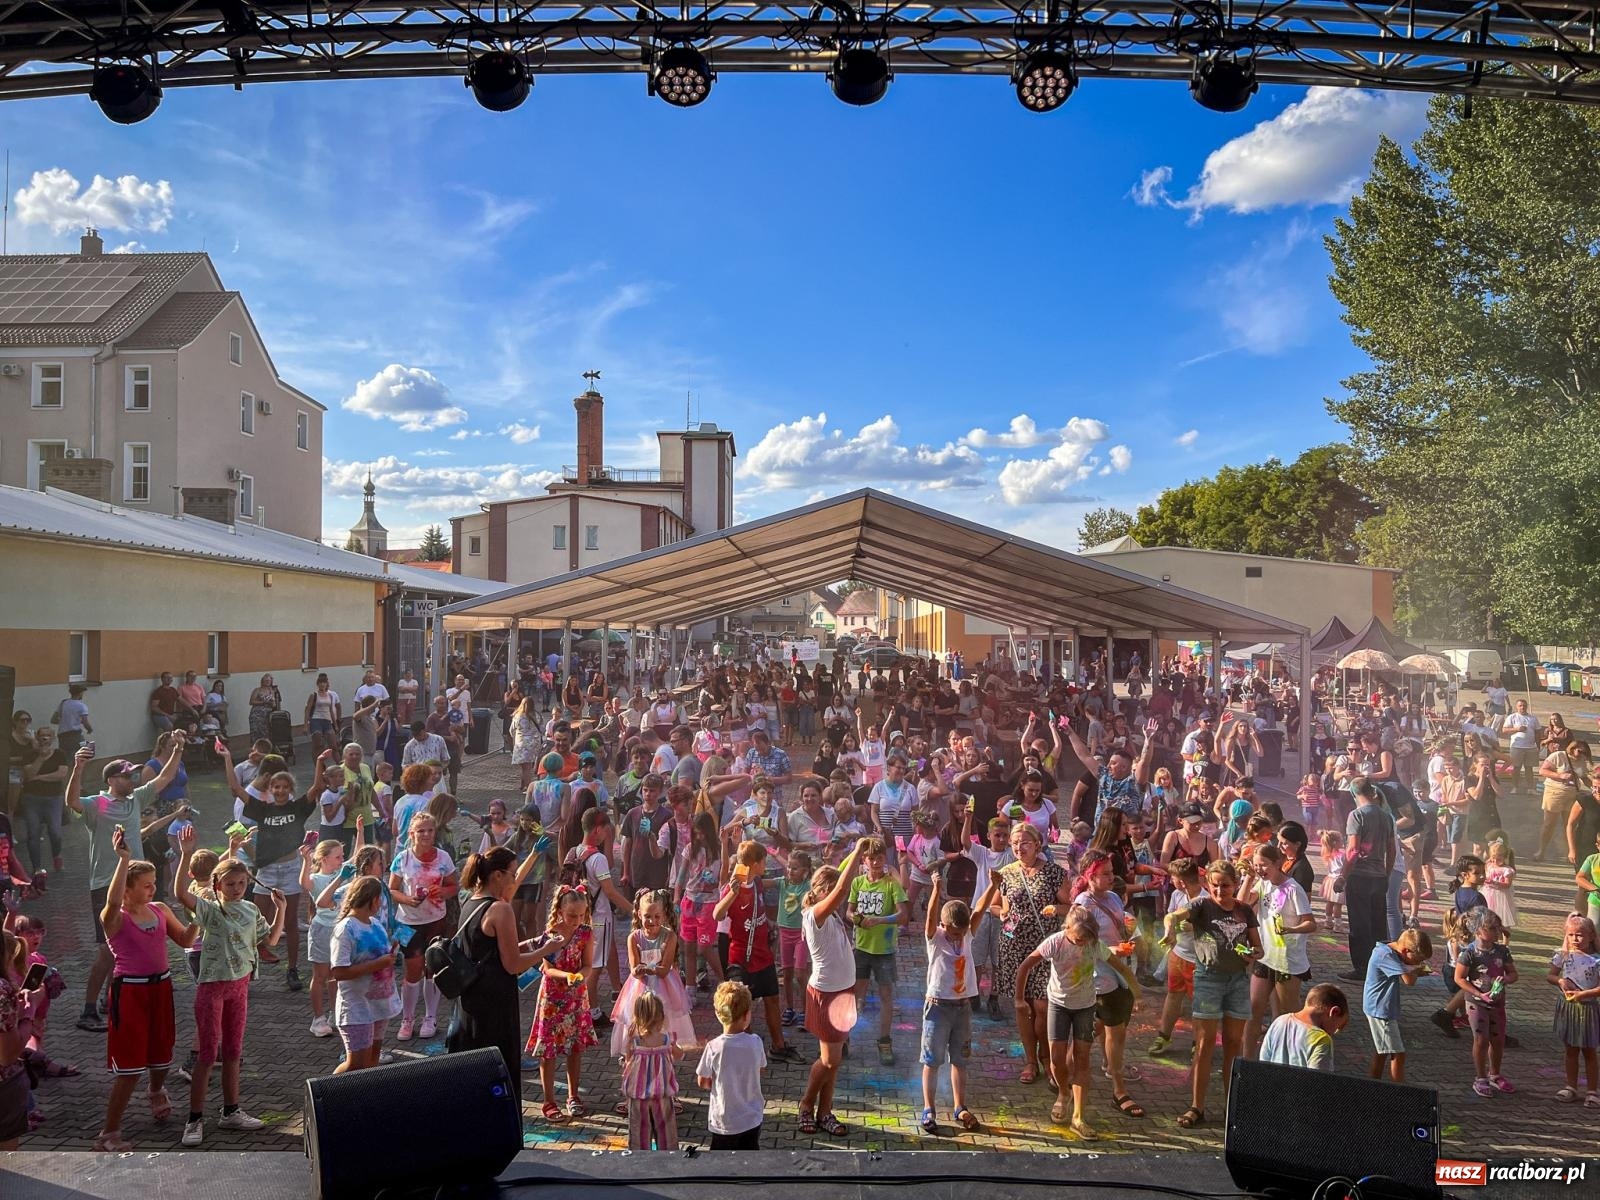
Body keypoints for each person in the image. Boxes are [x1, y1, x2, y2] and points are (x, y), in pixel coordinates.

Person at [93, 829, 198, 1151]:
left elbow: (186, 940)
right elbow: (111, 900)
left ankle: (156, 1090)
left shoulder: (160, 910)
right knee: (129, 1069)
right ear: (126, 890)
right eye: (146, 885)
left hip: (161, 988)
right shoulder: (115, 917)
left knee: (163, 1054)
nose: (153, 889)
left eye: (154, 884)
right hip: (131, 993)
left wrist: (198, 915)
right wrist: (123, 858)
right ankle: (108, 1134)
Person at [66, 744, 182, 1033]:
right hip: (106, 884)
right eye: (126, 776)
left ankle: (109, 1001)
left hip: (135, 882)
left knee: (121, 948)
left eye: (132, 775)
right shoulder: (99, 805)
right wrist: (78, 768)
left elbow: (163, 778)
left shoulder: (135, 800)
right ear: (111, 780)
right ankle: (88, 1011)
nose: (132, 780)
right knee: (106, 952)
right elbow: (72, 802)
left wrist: (178, 749)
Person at [173, 844, 284, 1146]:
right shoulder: (209, 909)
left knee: (234, 1051)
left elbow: (271, 939)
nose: (237, 889)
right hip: (212, 988)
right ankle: (194, 1118)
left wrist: (282, 909)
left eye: (242, 883)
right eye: (230, 883)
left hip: (240, 988)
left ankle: (231, 1111)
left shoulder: (251, 910)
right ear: (217, 884)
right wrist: (184, 855)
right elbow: (180, 894)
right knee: (208, 1054)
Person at [446, 847, 566, 1102]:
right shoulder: (501, 910)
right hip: (494, 1004)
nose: (514, 879)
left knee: (474, 1076)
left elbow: (486, 949)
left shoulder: (471, 900)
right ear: (498, 876)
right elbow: (513, 965)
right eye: (511, 874)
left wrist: (529, 943)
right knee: (498, 1075)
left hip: (470, 1002)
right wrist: (547, 949)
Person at [1167, 860, 1262, 1129]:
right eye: (1216, 885)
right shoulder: (1202, 906)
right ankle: (1197, 1107)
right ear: (1208, 884)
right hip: (1208, 978)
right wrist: (1170, 925)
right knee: (1205, 1043)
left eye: (1226, 885)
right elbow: (1176, 915)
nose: (1221, 890)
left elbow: (1259, 948)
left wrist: (1253, 954)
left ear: (1234, 885)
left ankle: (1233, 1107)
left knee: (1234, 1044)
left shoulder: (1244, 910)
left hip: (1238, 980)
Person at [976, 823, 1069, 1083]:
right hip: (1013, 945)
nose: (1018, 847)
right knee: (1022, 1006)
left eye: (1024, 842)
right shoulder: (1005, 873)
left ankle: (1046, 1058)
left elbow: (1070, 905)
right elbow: (995, 906)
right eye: (1015, 843)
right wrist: (1002, 913)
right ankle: (1030, 1060)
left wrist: (1055, 909)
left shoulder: (1054, 872)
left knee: (1042, 1005)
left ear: (1037, 845)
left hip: (1044, 947)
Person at [220, 753, 317, 992]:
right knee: (256, 918)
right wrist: (227, 757)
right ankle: (247, 969)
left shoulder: (296, 807)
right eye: (276, 786)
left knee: (291, 921)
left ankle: (292, 969)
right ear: (271, 788)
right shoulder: (262, 809)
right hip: (267, 869)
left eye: (285, 786)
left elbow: (318, 788)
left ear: (290, 788)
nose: (281, 790)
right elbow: (234, 788)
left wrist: (321, 761)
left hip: (291, 867)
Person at [1015, 905, 1106, 1137]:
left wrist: (1133, 990)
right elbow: (1025, 966)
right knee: (1056, 1058)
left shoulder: (1094, 944)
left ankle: (1078, 1116)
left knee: (1082, 1058)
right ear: (1067, 929)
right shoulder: (1055, 942)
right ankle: (1063, 1093)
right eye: (1078, 939)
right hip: (1058, 1004)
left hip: (1085, 1005)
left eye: (1086, 939)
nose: (1082, 943)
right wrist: (1019, 999)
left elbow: (1114, 961)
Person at [1071, 848, 1144, 1119]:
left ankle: (1062, 1071)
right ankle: (1119, 1089)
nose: (1110, 878)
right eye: (1104, 874)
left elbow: (1124, 928)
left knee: (1096, 1030)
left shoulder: (1114, 897)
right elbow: (1078, 940)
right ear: (1089, 876)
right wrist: (1112, 950)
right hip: (1098, 977)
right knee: (1115, 1033)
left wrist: (1131, 938)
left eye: (1112, 873)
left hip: (1120, 976)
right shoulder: (1083, 904)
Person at [714, 840, 803, 1063]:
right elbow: (717, 915)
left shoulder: (758, 884)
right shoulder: (733, 887)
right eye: (763, 860)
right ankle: (747, 1049)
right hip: (741, 957)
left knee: (772, 998)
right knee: (744, 1005)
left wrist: (769, 924)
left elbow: (758, 911)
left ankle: (778, 1046)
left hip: (763, 955)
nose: (766, 864)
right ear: (754, 863)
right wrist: (731, 895)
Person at [798, 845, 864, 1137]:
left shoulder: (832, 914)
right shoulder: (815, 915)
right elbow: (841, 887)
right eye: (834, 888)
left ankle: (825, 1111)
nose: (842, 895)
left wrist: (854, 854)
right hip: (826, 994)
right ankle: (806, 1104)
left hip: (843, 992)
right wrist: (860, 850)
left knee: (834, 1060)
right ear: (821, 890)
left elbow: (839, 883)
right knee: (829, 1059)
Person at [916, 870, 982, 1135]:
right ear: (944, 927)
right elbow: (931, 916)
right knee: (932, 1060)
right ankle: (929, 1108)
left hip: (962, 1008)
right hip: (937, 1007)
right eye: (954, 933)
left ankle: (959, 1106)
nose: (958, 938)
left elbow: (981, 907)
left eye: (961, 933)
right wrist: (936, 888)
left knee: (960, 1060)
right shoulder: (936, 938)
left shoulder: (966, 934)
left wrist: (993, 886)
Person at [527, 886, 599, 1122]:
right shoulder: (551, 934)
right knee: (548, 1050)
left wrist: (580, 976)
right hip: (552, 998)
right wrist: (565, 976)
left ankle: (573, 1095)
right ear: (560, 910)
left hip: (576, 997)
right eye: (572, 915)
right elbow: (547, 968)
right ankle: (548, 1100)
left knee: (575, 1047)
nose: (577, 920)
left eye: (581, 915)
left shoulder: (586, 933)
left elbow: (588, 964)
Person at [1243, 843, 1316, 1060]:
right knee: (1252, 1012)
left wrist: (1290, 929)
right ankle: (1246, 1063)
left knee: (1288, 1018)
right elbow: (1241, 903)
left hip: (1287, 962)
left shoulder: (1294, 889)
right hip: (1264, 958)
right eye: (1256, 866)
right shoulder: (1263, 884)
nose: (1260, 870)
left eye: (1264, 865)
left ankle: (1288, 1063)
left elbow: (1311, 923)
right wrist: (1248, 878)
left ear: (1277, 863)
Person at [390, 812, 458, 1041]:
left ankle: (430, 1017)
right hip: (406, 922)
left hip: (436, 920)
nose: (426, 834)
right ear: (412, 834)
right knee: (412, 971)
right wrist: (408, 899)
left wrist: (444, 892)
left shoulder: (443, 858)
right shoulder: (402, 858)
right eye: (421, 831)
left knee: (432, 969)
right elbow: (392, 890)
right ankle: (407, 1019)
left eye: (430, 830)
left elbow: (453, 886)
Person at [326, 877, 400, 1074]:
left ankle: (364, 1101)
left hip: (378, 1005)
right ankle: (326, 1094)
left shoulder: (375, 924)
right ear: (375, 900)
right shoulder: (346, 929)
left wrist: (389, 955)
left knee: (372, 1062)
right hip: (357, 1009)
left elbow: (380, 957)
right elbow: (339, 971)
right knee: (356, 1064)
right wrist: (378, 963)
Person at [845, 836, 909, 1065]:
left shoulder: (892, 884)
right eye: (871, 858)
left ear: (885, 858)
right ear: (864, 860)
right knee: (855, 995)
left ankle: (884, 1040)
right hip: (861, 947)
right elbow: (849, 912)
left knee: (885, 996)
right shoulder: (857, 883)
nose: (875, 863)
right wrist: (857, 919)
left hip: (884, 950)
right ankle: (845, 1038)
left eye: (879, 858)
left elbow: (903, 915)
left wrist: (880, 920)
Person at [610, 888, 695, 1057]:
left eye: (657, 916)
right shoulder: (634, 938)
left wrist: (649, 969)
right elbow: (634, 969)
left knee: (665, 1016)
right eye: (647, 916)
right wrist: (639, 970)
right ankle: (635, 1048)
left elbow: (664, 970)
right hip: (640, 986)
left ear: (663, 916)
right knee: (637, 1015)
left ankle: (665, 1047)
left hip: (664, 985)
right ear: (640, 915)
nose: (652, 921)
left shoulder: (669, 937)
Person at [696, 980, 767, 1149]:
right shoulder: (755, 1042)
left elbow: (702, 1081)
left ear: (718, 1013)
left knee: (721, 1163)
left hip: (724, 1120)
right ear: (747, 1015)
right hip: (751, 1117)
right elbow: (761, 1069)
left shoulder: (714, 1047)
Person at [1456, 908, 1516, 1097]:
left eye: (1497, 928)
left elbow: (1513, 974)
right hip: (1477, 1003)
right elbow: (1459, 978)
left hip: (1497, 1002)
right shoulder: (1469, 953)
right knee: (1481, 1040)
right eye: (1492, 928)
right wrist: (1478, 994)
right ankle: (1480, 1077)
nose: (1497, 932)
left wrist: (1504, 980)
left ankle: (1495, 1074)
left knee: (1498, 1040)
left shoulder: (1502, 951)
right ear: (1478, 930)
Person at [1341, 778, 1395, 982]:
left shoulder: (1356, 816)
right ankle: (1379, 966)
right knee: (1377, 923)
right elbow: (1391, 849)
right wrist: (1386, 873)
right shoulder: (1386, 816)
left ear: (1354, 795)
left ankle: (1362, 968)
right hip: (1379, 876)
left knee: (1359, 924)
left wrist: (1342, 876)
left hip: (1360, 876)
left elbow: (1353, 850)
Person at [1364, 926, 1434, 1083]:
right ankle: (1398, 1090)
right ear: (1405, 951)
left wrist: (1413, 966)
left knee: (1381, 1050)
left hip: (1380, 1007)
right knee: (1398, 1053)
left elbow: (1407, 972)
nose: (1419, 963)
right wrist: (1416, 969)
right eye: (1418, 959)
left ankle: (1373, 1083)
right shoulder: (1385, 956)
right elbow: (1409, 981)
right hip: (1380, 1010)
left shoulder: (1388, 951)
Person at [1150, 856, 1203, 1058]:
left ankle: (1197, 1042)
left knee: (1198, 1002)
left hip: (1197, 960)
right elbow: (1169, 916)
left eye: (1173, 878)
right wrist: (1170, 932)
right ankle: (1164, 1036)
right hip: (1178, 954)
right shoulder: (1177, 896)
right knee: (1173, 994)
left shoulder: (1205, 899)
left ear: (1181, 881)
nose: (1171, 881)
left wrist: (1194, 926)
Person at [620, 992, 684, 1151]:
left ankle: (640, 1161)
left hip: (638, 1095)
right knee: (666, 1133)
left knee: (639, 1134)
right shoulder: (667, 1039)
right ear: (661, 1016)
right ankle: (667, 1160)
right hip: (662, 1094)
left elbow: (628, 1062)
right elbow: (679, 1055)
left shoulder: (634, 1040)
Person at [1549, 913, 1600, 1108]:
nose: (1575, 939)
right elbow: (1551, 976)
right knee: (1570, 1049)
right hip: (1568, 1007)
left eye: (1580, 935)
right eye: (1571, 935)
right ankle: (1570, 1086)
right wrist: (1560, 981)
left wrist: (1585, 994)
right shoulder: (1563, 956)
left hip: (1588, 1009)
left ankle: (1592, 1090)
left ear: (1591, 936)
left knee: (1589, 1051)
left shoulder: (1596, 960)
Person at [300, 839, 346, 1038]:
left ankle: (335, 1014)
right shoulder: (316, 878)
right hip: (321, 929)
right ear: (325, 859)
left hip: (339, 929)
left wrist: (360, 832)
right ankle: (318, 1019)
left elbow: (358, 853)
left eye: (342, 856)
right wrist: (305, 860)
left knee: (335, 975)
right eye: (338, 857)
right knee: (320, 975)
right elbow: (304, 883)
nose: (342, 860)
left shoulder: (342, 872)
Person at [1258, 983, 1350, 1071]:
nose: (1332, 1033)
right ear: (1334, 1012)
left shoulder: (1280, 1021)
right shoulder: (1322, 1040)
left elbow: (1264, 1059)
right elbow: (1318, 1079)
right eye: (1337, 1028)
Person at [18, 726, 67, 877]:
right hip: (32, 799)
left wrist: (39, 777)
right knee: (33, 833)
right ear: (37, 738)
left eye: (48, 736)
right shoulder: (29, 755)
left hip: (54, 799)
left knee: (55, 832)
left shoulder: (60, 754)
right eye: (42, 736)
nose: (45, 738)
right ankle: (37, 868)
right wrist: (41, 757)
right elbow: (29, 774)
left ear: (53, 738)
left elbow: (61, 774)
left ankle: (56, 855)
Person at [304, 674, 342, 760]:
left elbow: (331, 711)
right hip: (316, 720)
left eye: (324, 682)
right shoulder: (313, 695)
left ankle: (339, 765)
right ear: (317, 684)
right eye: (320, 683)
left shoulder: (330, 695)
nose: (322, 684)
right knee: (318, 745)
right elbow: (307, 710)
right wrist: (306, 725)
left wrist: (335, 724)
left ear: (326, 684)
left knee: (333, 745)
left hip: (327, 720)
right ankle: (319, 765)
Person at [53, 683, 92, 756]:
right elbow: (85, 721)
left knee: (65, 755)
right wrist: (89, 729)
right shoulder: (81, 706)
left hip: (62, 735)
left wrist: (65, 721)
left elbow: (54, 719)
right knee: (84, 749)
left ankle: (67, 766)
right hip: (75, 735)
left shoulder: (63, 703)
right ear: (80, 693)